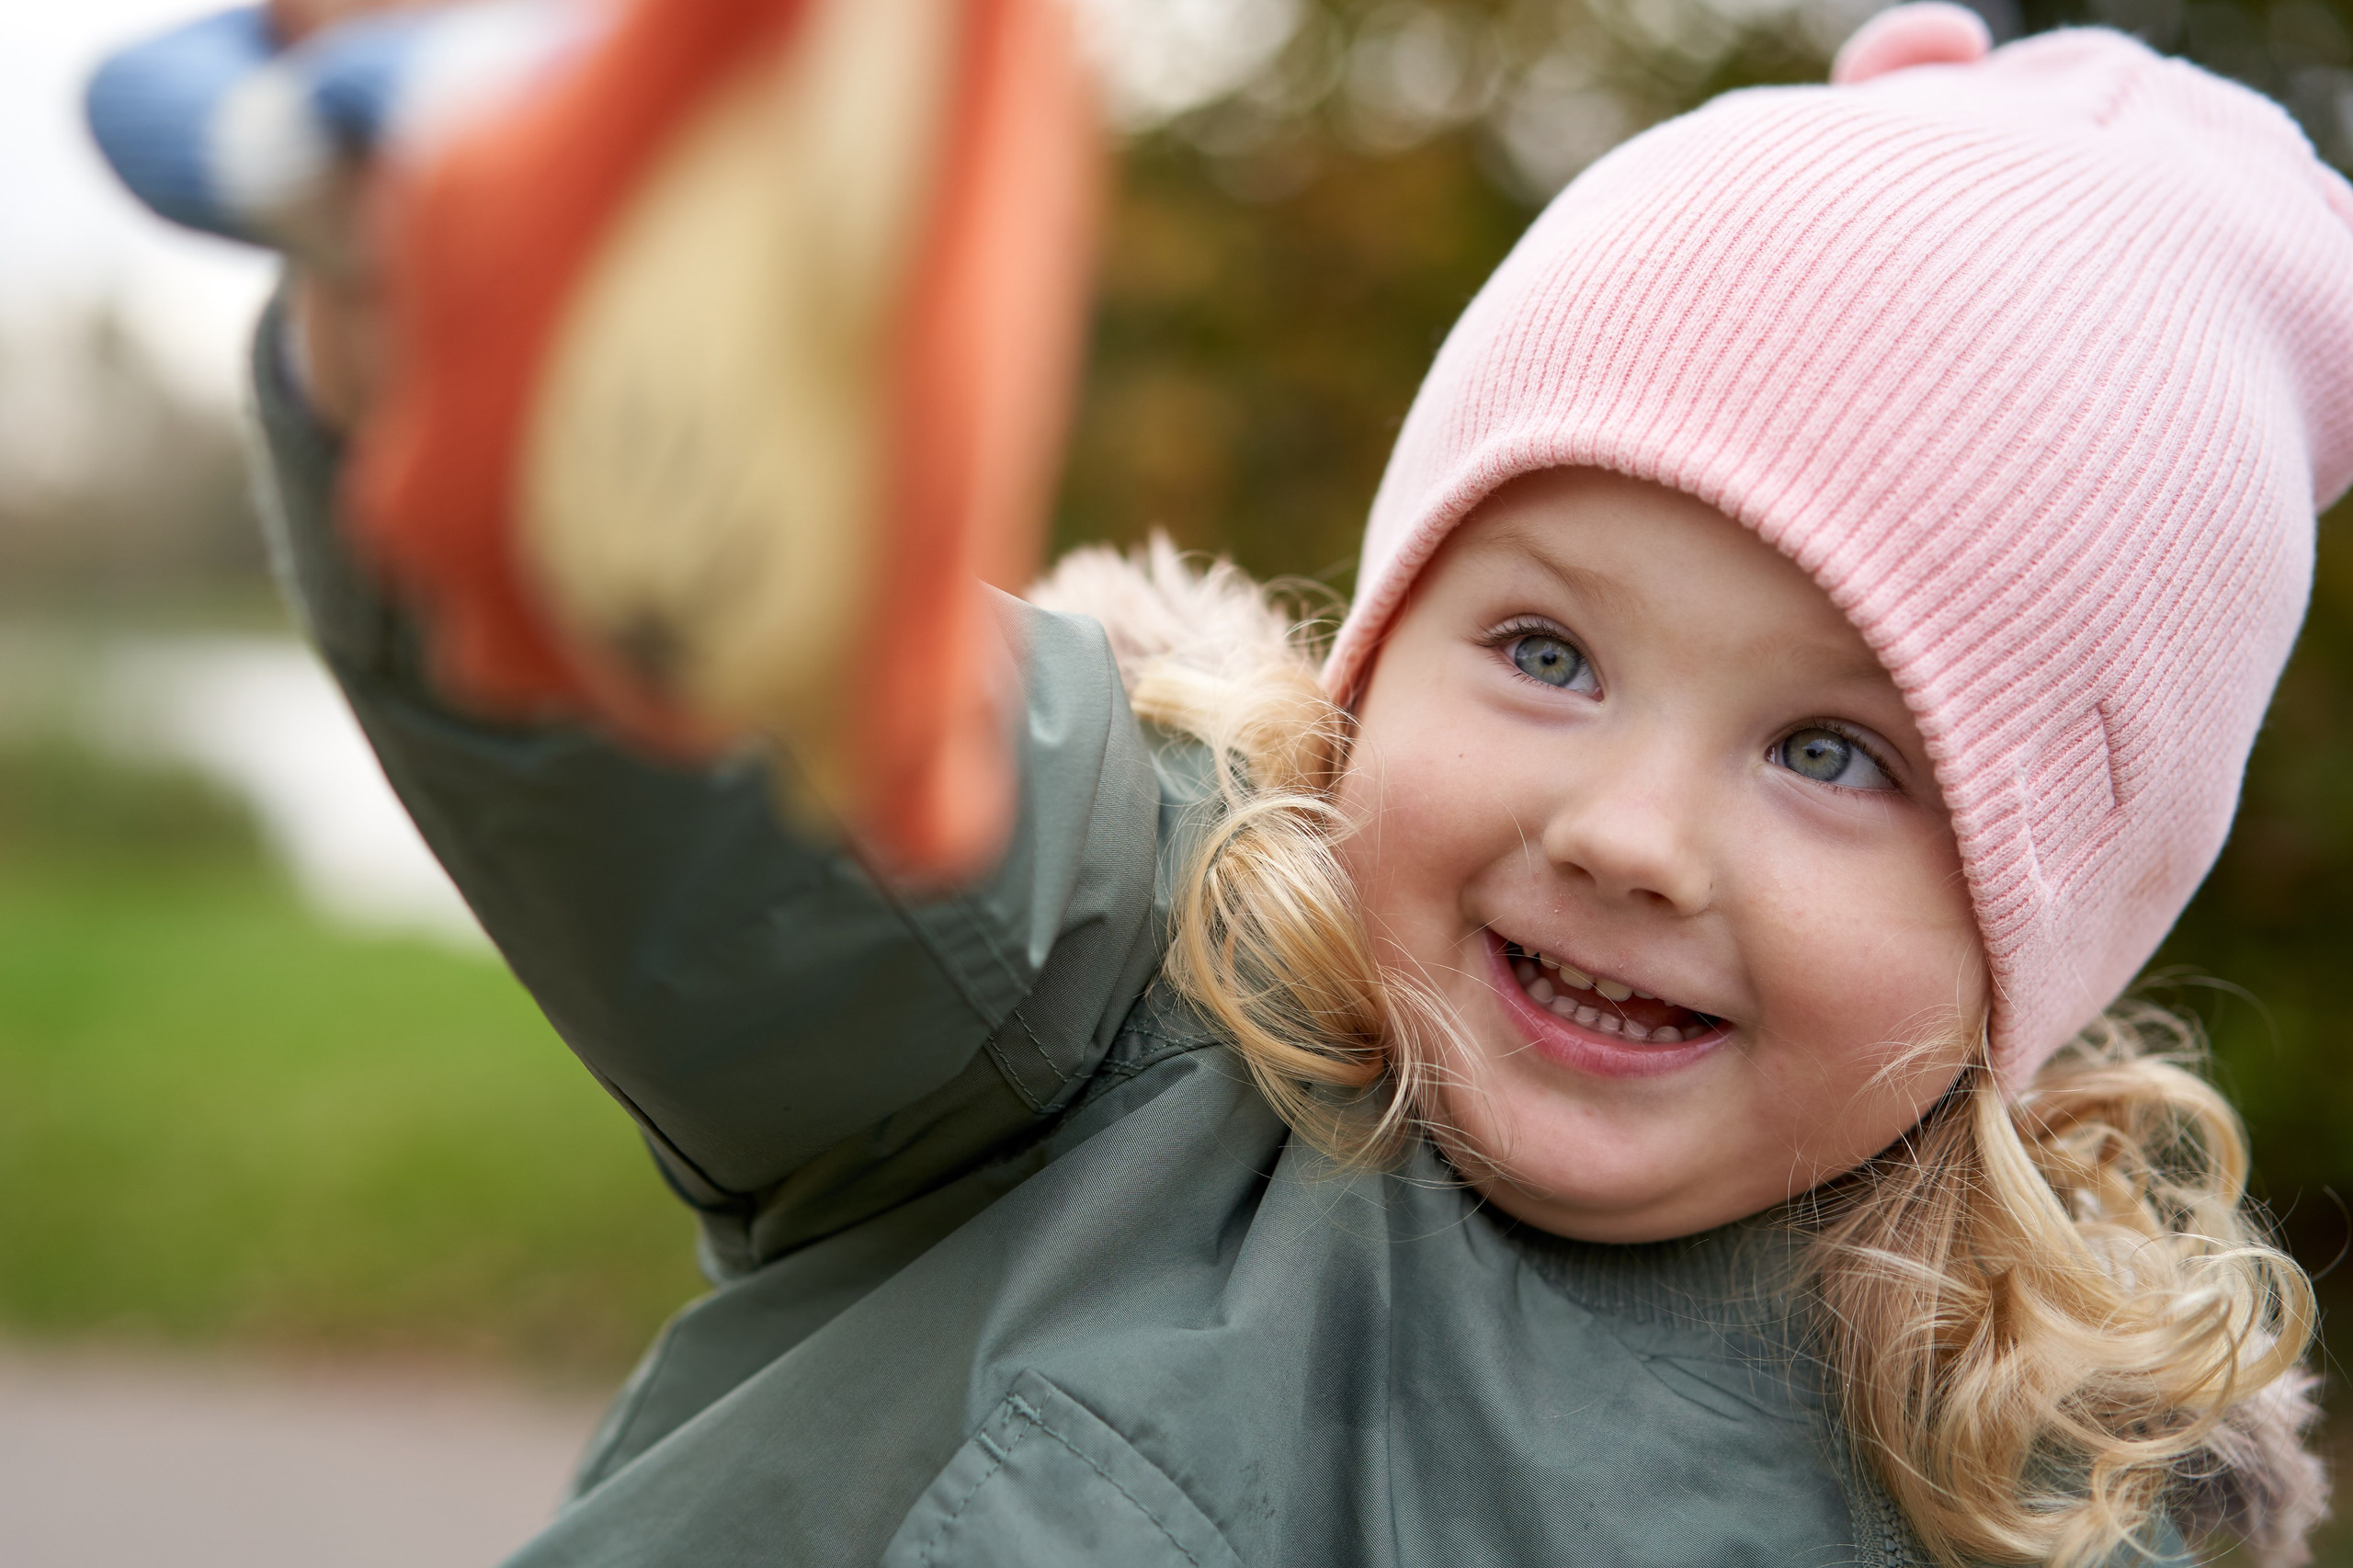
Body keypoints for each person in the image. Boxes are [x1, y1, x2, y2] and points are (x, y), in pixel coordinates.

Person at [107, 2, 2353, 1562]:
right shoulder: (1118, 977)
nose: (1624, 831)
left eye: (1835, 751)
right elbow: (769, 739)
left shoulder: (2026, 1500)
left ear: (2046, 920)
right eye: (1545, 650)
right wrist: (523, 354)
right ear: (1383, 650)